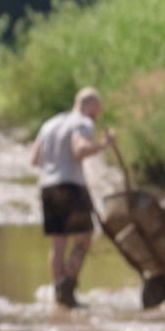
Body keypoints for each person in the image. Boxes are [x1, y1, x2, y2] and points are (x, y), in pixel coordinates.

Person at [29, 86, 116, 309]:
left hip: (47, 186)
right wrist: (103, 145)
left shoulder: (50, 124)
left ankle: (59, 292)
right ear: (88, 107)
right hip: (70, 185)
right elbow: (79, 149)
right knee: (83, 239)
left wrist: (54, 161)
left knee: (58, 244)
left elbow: (35, 158)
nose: (95, 119)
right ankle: (67, 289)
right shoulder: (82, 123)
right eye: (95, 114)